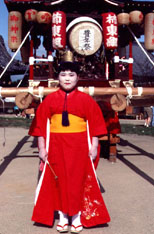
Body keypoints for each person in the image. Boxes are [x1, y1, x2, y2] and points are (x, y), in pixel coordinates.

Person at [29, 61, 110, 233]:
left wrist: (94, 145)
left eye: (71, 75)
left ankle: (76, 217)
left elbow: (95, 125)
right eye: (63, 75)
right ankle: (63, 216)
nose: (67, 79)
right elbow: (40, 128)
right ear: (57, 77)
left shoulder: (86, 100)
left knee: (77, 181)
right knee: (58, 180)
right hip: (56, 147)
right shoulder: (50, 100)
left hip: (79, 147)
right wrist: (42, 149)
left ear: (78, 77)